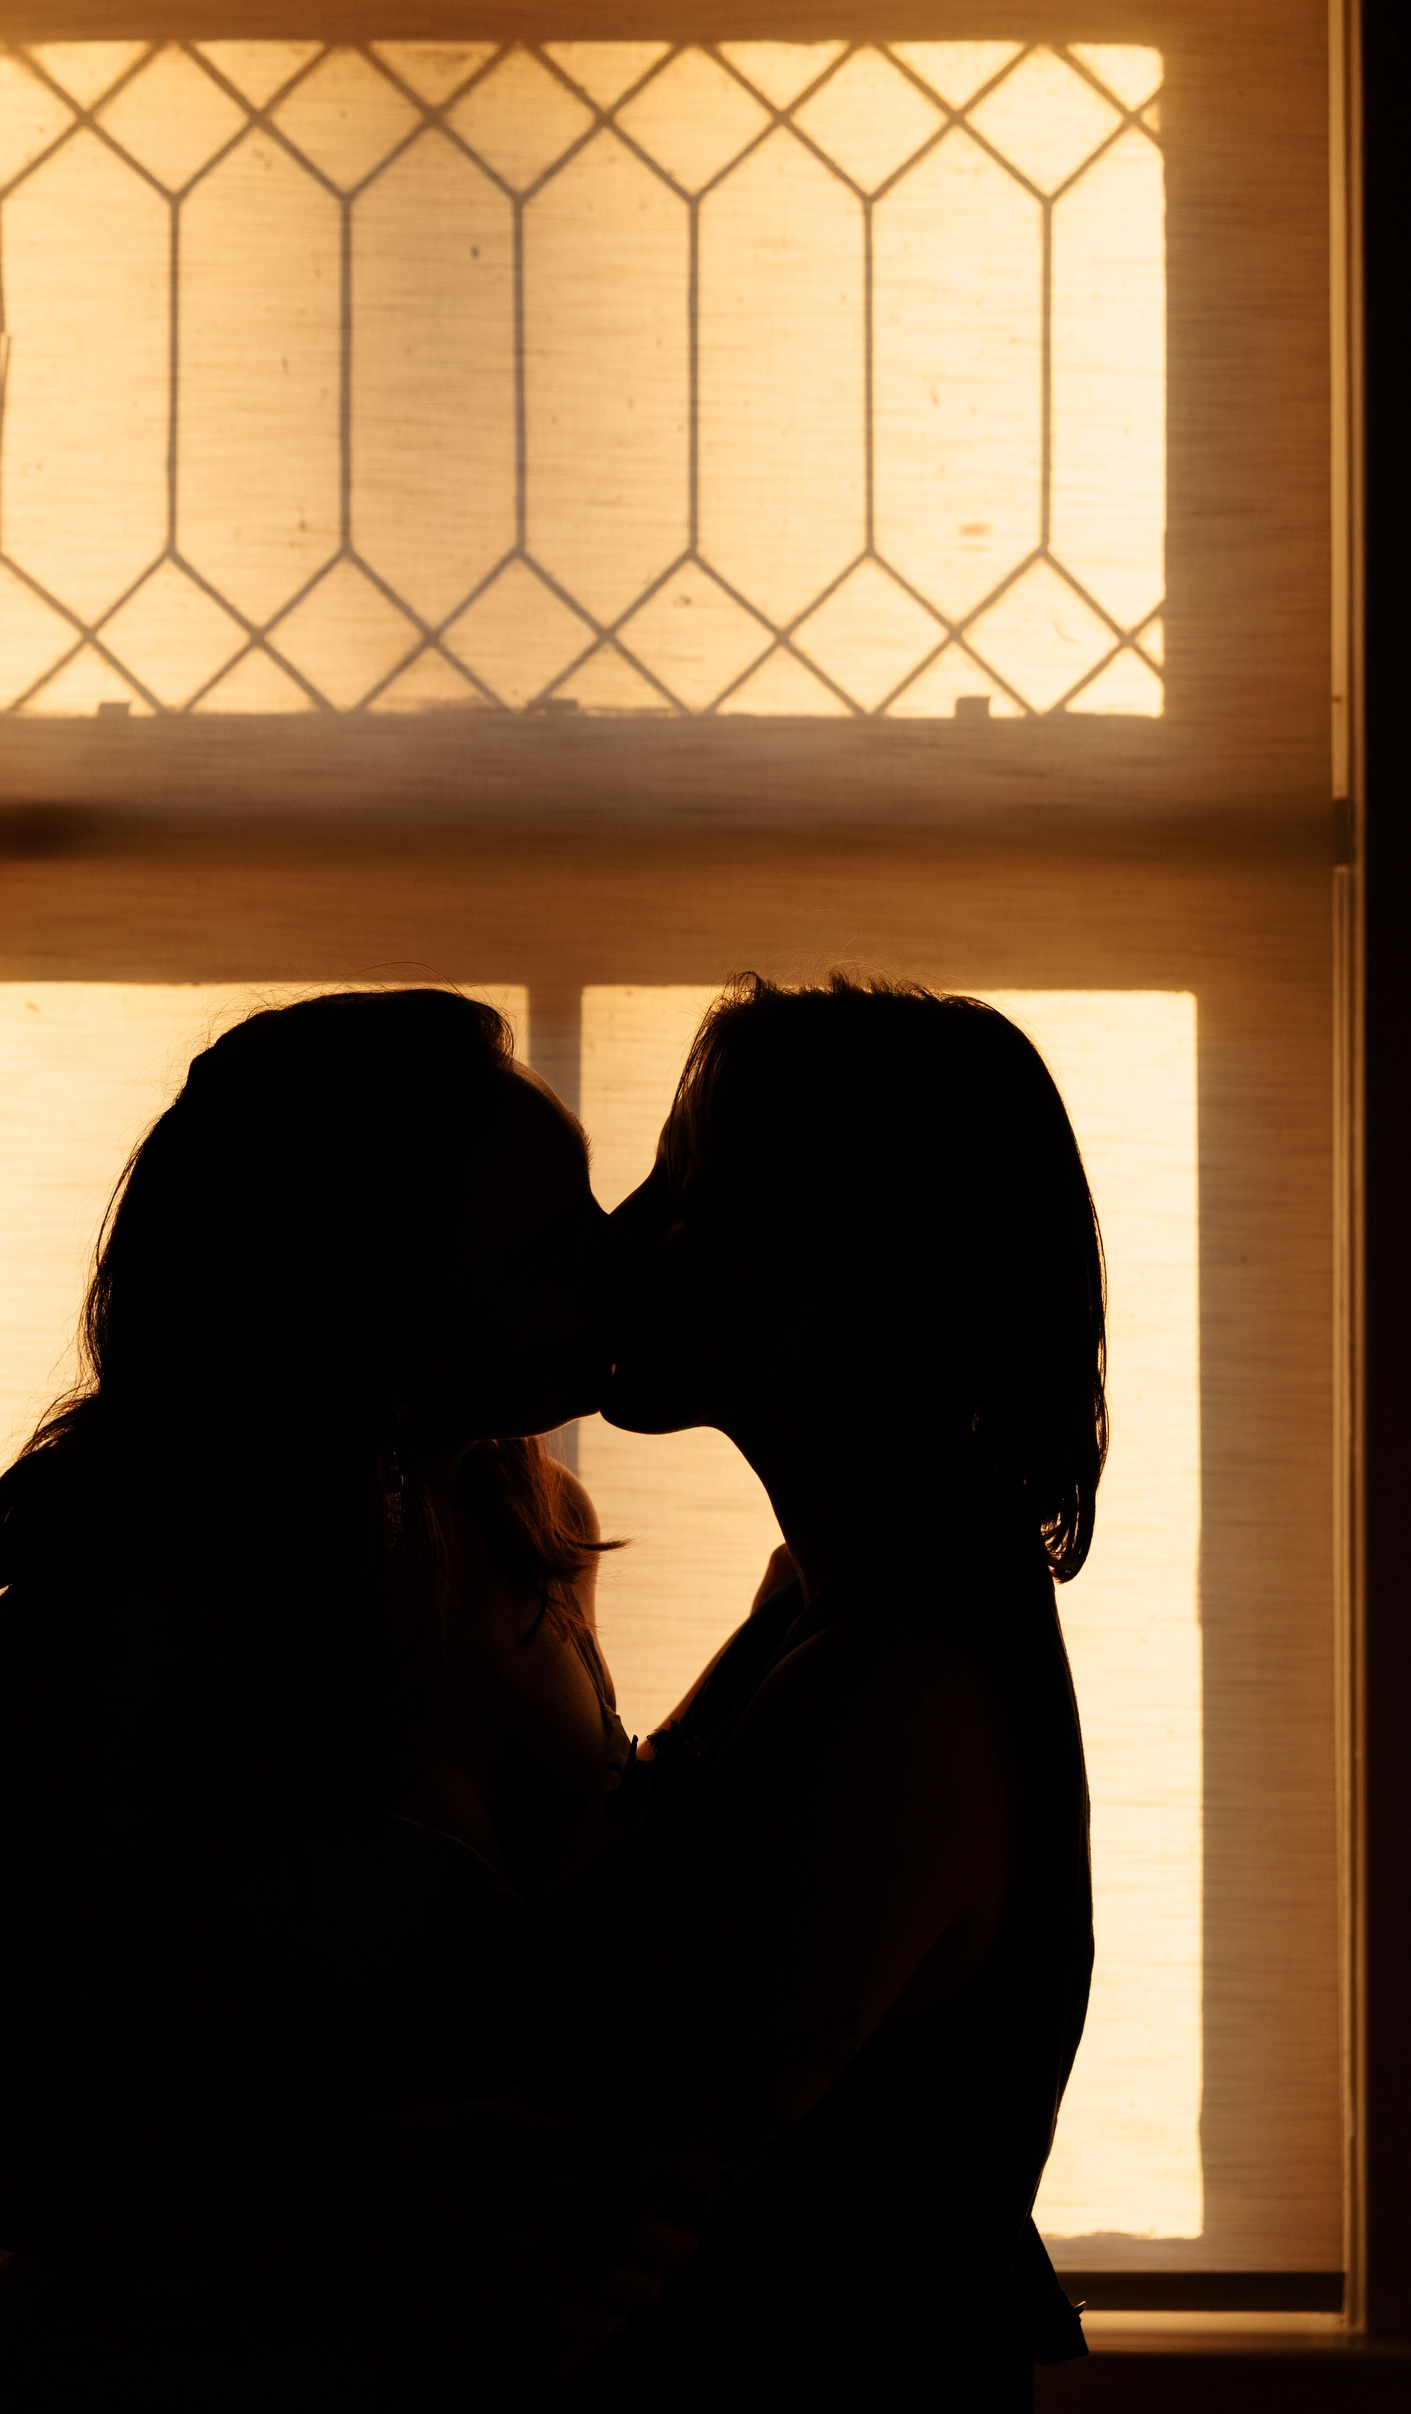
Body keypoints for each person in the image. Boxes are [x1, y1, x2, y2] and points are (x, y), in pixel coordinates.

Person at [0, 988, 698, 2409]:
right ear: (367, 1287)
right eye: (547, 1234)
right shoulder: (124, 1610)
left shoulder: (528, 1531)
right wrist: (374, 2185)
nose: (616, 1257)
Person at [515, 975, 1100, 2407]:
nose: (625, 1235)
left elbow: (614, 2165)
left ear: (867, 1270)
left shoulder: (891, 1694)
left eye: (689, 1184)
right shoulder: (828, 1596)